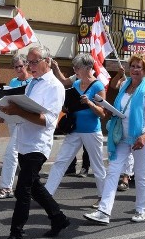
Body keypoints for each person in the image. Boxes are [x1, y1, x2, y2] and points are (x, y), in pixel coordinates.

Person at [0, 44, 69, 239]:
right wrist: (6, 114)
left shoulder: (54, 86)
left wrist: (17, 109)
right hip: (24, 141)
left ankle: (16, 234)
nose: (31, 65)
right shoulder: (32, 84)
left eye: (35, 61)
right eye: (29, 61)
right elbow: (25, 113)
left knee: (23, 189)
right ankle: (58, 218)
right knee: (35, 186)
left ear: (47, 61)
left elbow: (48, 121)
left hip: (38, 145)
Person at [85, 53, 145, 224]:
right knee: (113, 171)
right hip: (121, 137)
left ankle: (141, 209)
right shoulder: (125, 85)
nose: (134, 70)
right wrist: (109, 109)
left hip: (140, 139)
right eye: (132, 66)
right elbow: (120, 107)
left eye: (138, 67)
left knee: (140, 175)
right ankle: (104, 211)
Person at [43, 53, 107, 200]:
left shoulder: (98, 85)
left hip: (91, 131)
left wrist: (90, 103)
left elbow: (102, 113)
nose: (75, 70)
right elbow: (68, 98)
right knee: (60, 161)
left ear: (89, 68)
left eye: (78, 67)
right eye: (74, 67)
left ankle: (104, 198)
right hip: (74, 129)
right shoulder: (77, 84)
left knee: (97, 166)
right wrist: (66, 107)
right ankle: (46, 195)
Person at [0, 53, 32, 199]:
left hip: (26, 122)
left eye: (20, 66)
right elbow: (6, 102)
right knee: (21, 155)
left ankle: (6, 188)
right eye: (15, 67)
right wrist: (1, 114)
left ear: (26, 65)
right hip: (13, 121)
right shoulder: (13, 81)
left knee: (11, 153)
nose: (18, 69)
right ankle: (28, 185)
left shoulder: (33, 81)